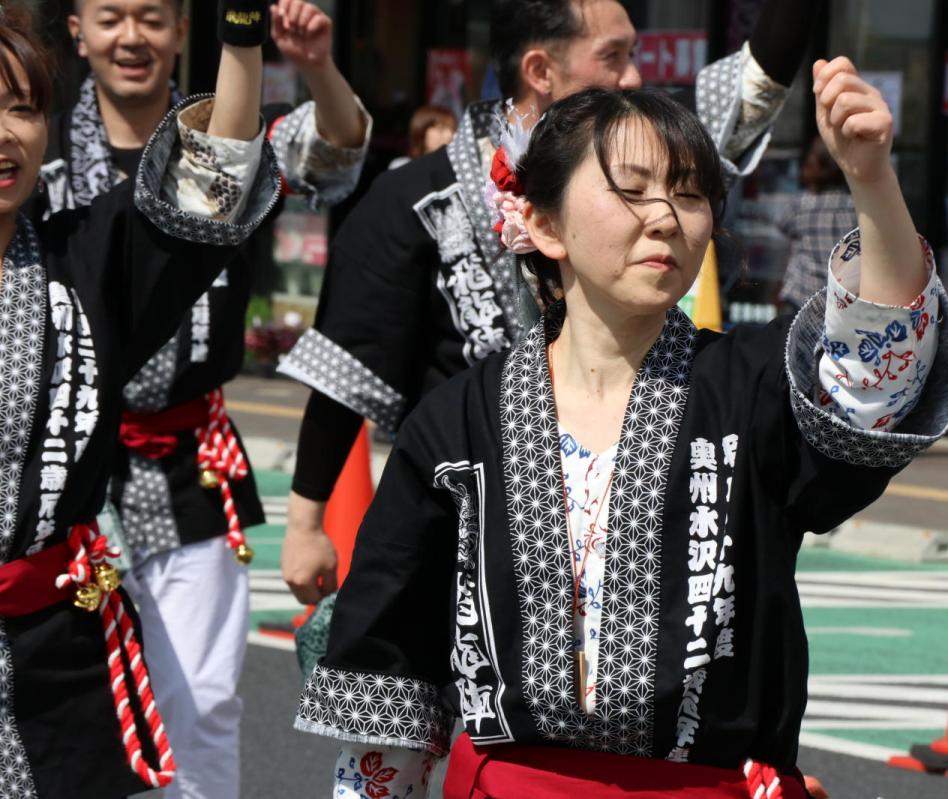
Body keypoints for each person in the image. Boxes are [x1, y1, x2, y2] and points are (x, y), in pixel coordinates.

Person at [293, 57, 948, 798]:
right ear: (544, 224)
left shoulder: (752, 388)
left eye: (689, 193)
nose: (666, 215)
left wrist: (871, 178)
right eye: (632, 188)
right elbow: (393, 665)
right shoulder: (455, 423)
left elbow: (876, 377)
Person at [278, 0, 818, 606]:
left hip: (642, 509)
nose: (634, 77)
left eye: (683, 193)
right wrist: (305, 522)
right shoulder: (417, 198)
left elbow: (755, 84)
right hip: (472, 519)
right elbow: (349, 367)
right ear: (540, 70)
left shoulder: (656, 155)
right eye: (612, 57)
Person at [35, 2, 369, 796]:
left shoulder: (237, 136)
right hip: (58, 477)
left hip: (190, 470)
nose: (131, 39)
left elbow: (337, 153)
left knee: (205, 704)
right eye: (110, 17)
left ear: (183, 30)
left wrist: (316, 64)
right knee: (63, 711)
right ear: (77, 29)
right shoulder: (34, 150)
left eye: (150, 17)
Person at [0, 1, 280, 796]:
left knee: (201, 714)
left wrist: (241, 29)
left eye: (23, 108)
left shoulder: (83, 263)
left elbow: (212, 179)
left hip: (55, 643)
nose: (5, 131)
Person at [776, 137, 859, 313]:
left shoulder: (800, 205)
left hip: (801, 294)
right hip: (843, 297)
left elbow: (782, 225)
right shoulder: (855, 205)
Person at [388, 104, 457, 170]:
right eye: (440, 129)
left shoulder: (456, 167)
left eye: (453, 130)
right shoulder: (401, 166)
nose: (450, 135)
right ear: (421, 131)